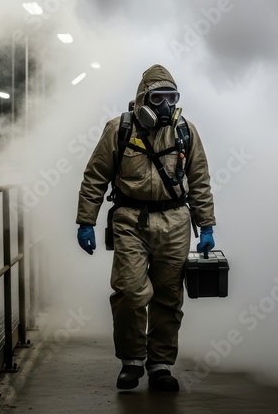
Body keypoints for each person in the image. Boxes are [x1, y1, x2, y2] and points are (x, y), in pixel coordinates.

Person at [75, 64, 216, 391]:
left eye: (172, 97)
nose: (165, 105)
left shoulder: (185, 131)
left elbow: (200, 181)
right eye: (158, 97)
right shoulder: (119, 129)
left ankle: (160, 366)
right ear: (143, 99)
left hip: (176, 221)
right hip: (130, 220)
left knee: (168, 297)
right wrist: (86, 220)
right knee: (130, 292)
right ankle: (132, 361)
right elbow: (95, 177)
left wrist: (205, 225)